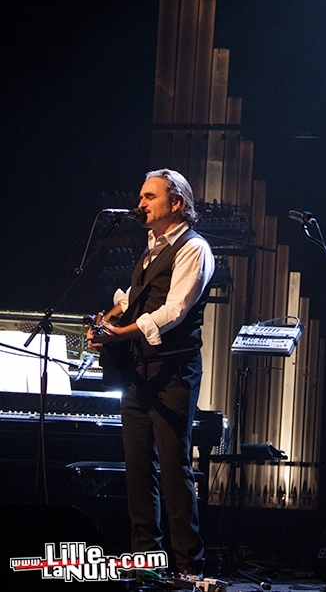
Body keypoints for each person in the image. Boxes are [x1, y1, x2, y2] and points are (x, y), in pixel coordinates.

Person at [88, 168, 215, 580]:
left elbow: (175, 310)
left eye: (149, 196)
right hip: (139, 369)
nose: (140, 203)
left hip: (173, 370)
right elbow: (133, 301)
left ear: (175, 203)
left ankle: (187, 567)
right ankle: (147, 563)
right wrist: (105, 325)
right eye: (141, 197)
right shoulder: (149, 250)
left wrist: (119, 332)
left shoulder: (194, 249)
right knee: (138, 467)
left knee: (174, 467)